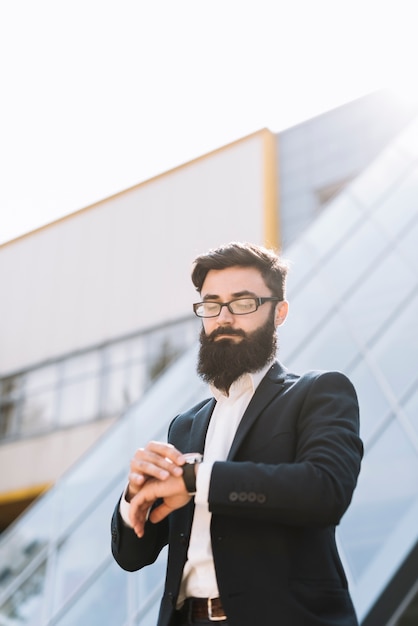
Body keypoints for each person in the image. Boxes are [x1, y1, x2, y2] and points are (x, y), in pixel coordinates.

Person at [111, 241, 363, 626]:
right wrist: (135, 497)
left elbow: (325, 490)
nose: (223, 317)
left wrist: (196, 478)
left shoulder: (319, 392)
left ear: (279, 313)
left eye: (243, 303)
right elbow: (132, 557)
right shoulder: (185, 425)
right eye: (211, 305)